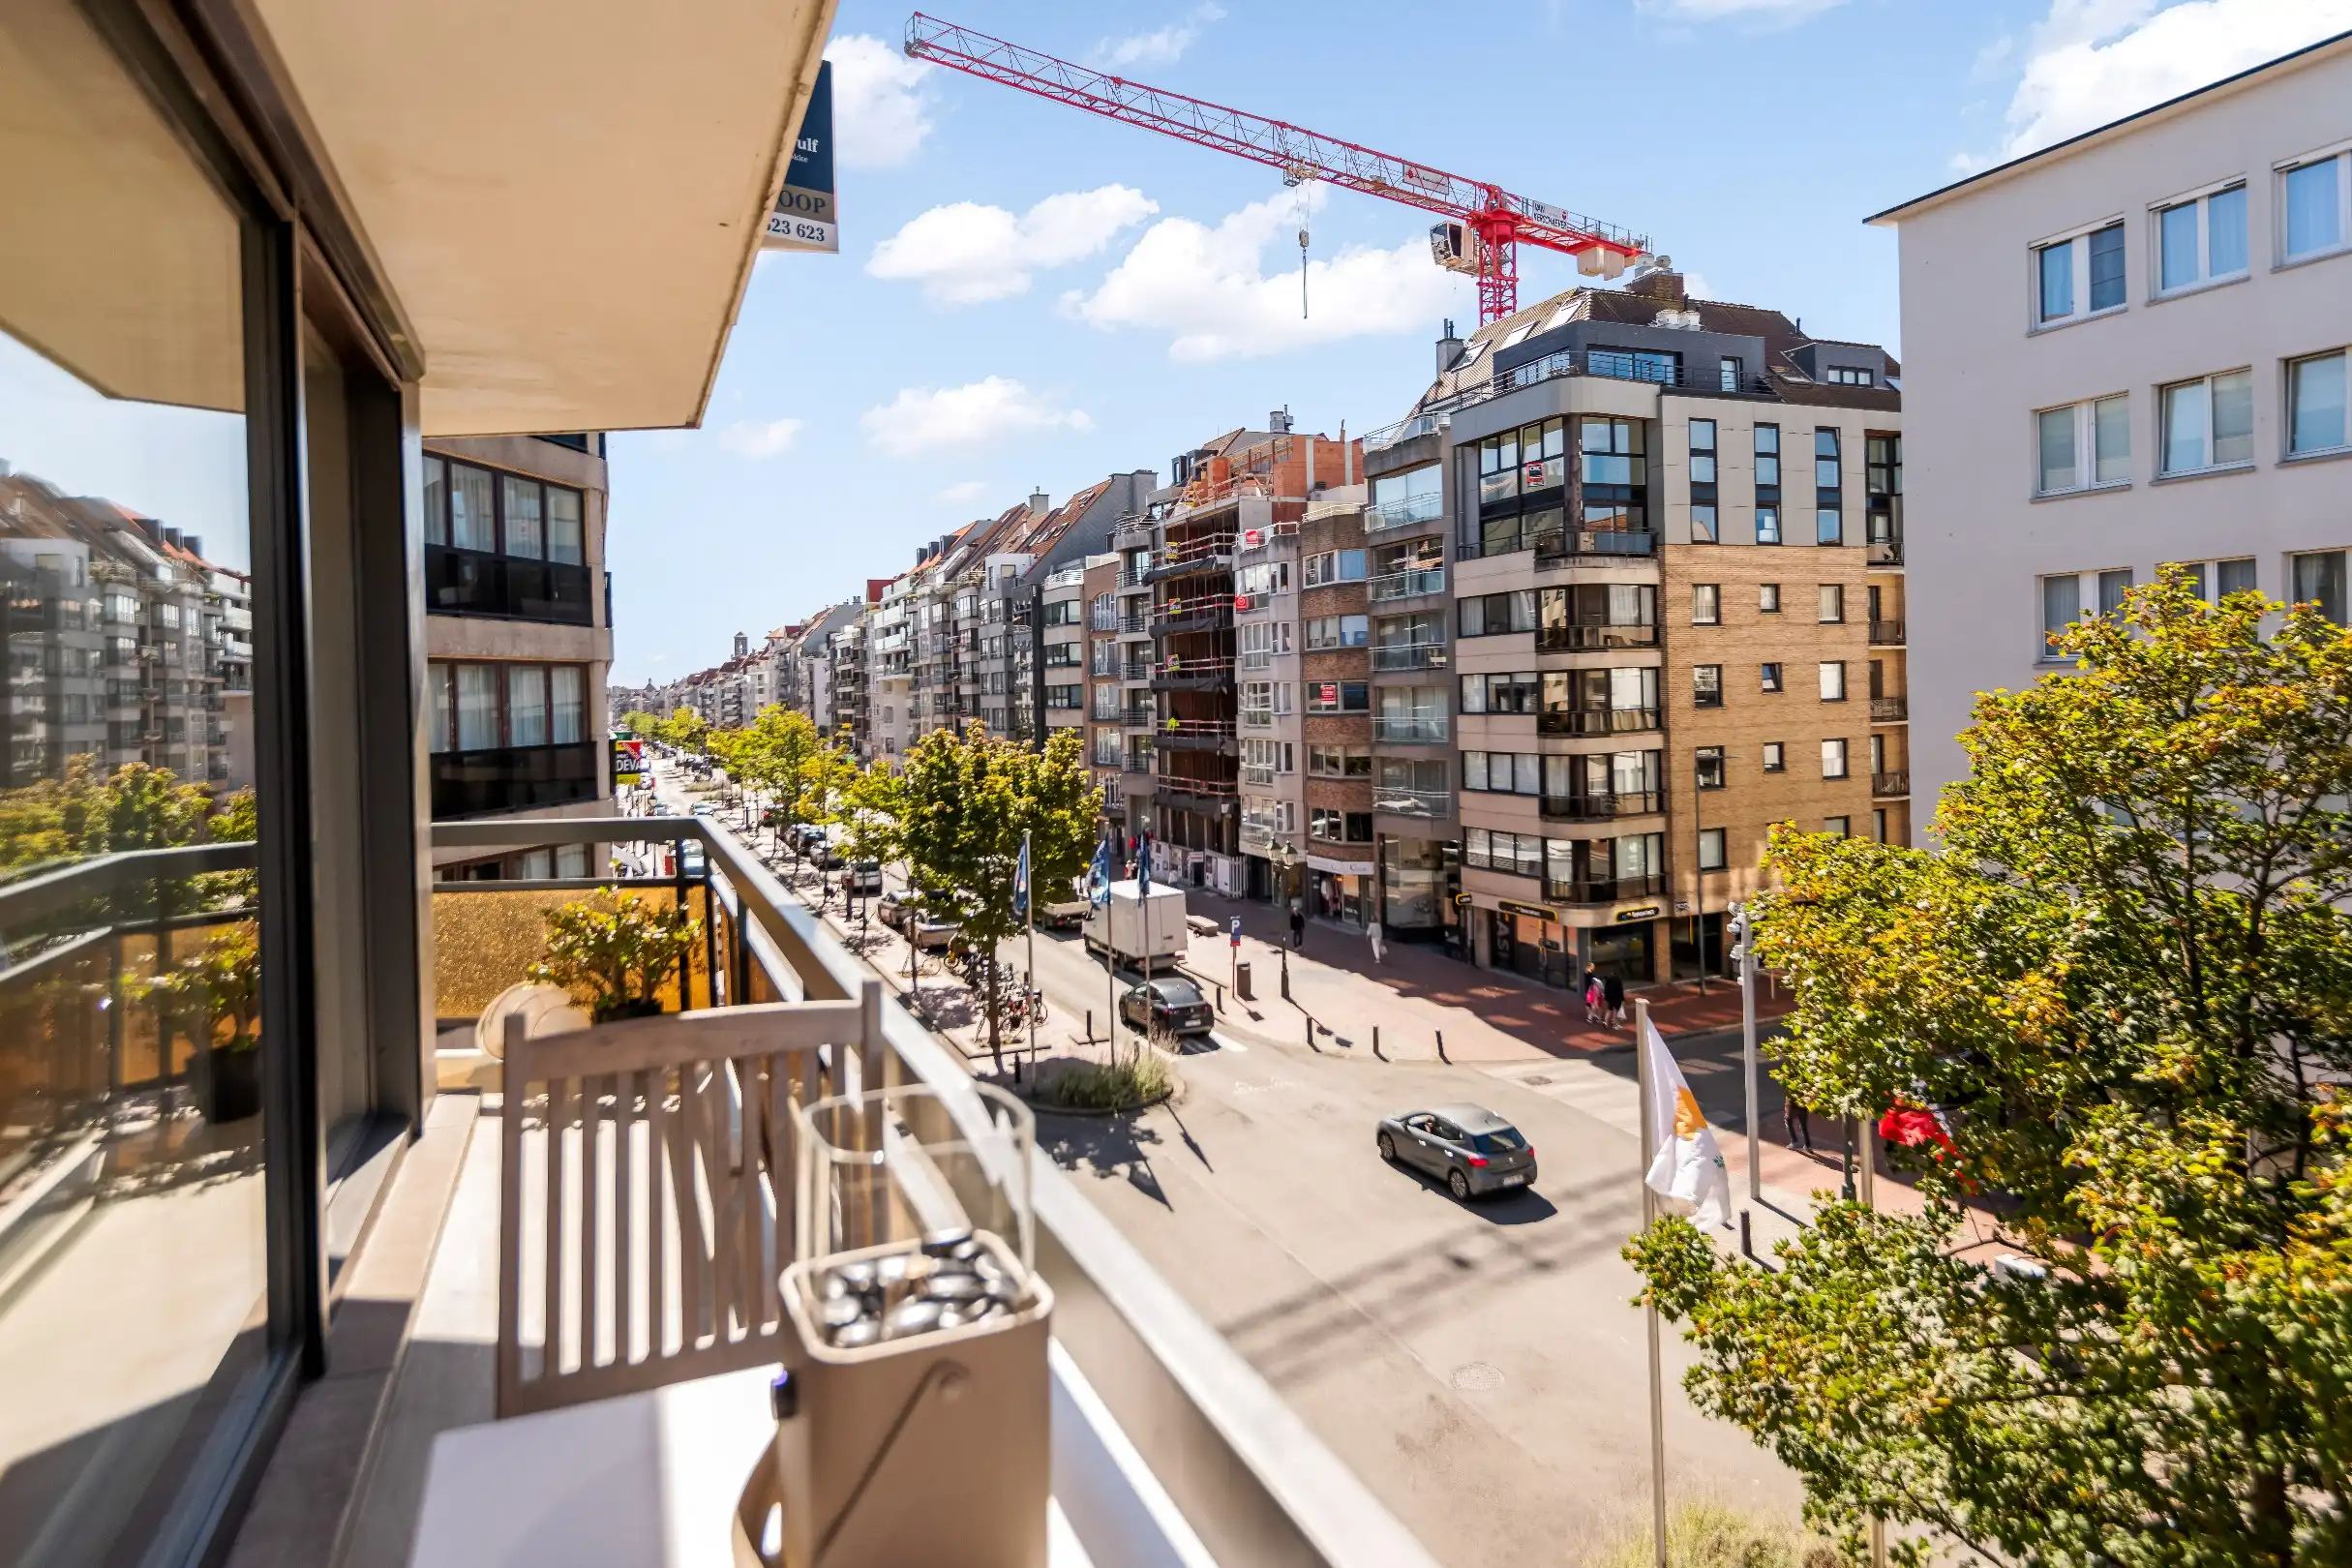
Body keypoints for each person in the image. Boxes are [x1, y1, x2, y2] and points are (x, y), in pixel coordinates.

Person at [1784, 1091, 1815, 1156]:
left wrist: (1786, 1107)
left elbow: (1788, 1097)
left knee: (1788, 1121)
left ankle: (1794, 1141)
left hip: (1793, 1107)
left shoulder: (1789, 1084)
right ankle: (1807, 1146)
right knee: (1803, 1126)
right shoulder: (1804, 1083)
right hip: (1803, 1108)